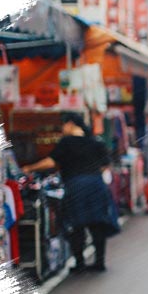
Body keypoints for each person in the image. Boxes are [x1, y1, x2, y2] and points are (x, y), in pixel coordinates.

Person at [22, 112, 119, 273]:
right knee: (97, 225)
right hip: (96, 185)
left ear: (71, 124)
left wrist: (29, 168)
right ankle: (99, 262)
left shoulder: (67, 142)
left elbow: (51, 162)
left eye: (63, 124)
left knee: (76, 225)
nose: (62, 128)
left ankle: (79, 263)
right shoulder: (95, 141)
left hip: (76, 186)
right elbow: (105, 165)